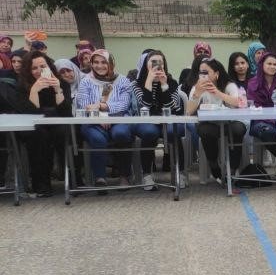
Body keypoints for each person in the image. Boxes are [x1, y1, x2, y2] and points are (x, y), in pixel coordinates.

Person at [128, 51, 185, 191]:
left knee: (174, 131)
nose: (157, 65)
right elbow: (144, 107)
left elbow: (174, 109)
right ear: (146, 64)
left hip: (167, 120)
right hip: (146, 122)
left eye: (160, 61)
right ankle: (146, 175)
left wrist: (164, 85)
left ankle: (179, 173)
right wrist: (149, 81)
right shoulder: (137, 83)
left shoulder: (171, 82)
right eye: (153, 61)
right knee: (149, 132)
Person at [19, 51, 72, 196]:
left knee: (63, 133)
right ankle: (41, 184)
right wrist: (34, 90)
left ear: (49, 67)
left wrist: (57, 89)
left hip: (57, 125)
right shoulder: (23, 86)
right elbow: (30, 115)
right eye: (34, 68)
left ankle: (72, 180)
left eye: (42, 66)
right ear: (28, 71)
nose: (38, 71)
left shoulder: (62, 84)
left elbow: (66, 113)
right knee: (39, 135)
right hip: (34, 128)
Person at [190, 58, 249, 187]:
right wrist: (197, 94)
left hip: (230, 122)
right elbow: (188, 111)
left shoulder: (229, 85)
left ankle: (232, 170)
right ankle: (214, 166)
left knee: (238, 130)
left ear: (216, 74)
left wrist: (217, 92)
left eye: (206, 72)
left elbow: (237, 103)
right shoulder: (197, 88)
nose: (203, 76)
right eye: (201, 73)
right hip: (210, 124)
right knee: (204, 131)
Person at [74, 49, 119, 188]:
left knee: (122, 133)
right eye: (96, 62)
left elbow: (123, 103)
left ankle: (124, 174)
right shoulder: (85, 81)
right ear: (91, 64)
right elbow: (84, 104)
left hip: (116, 120)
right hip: (91, 122)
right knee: (98, 139)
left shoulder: (120, 79)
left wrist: (102, 110)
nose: (100, 66)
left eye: (104, 62)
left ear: (110, 64)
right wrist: (99, 116)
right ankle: (100, 177)